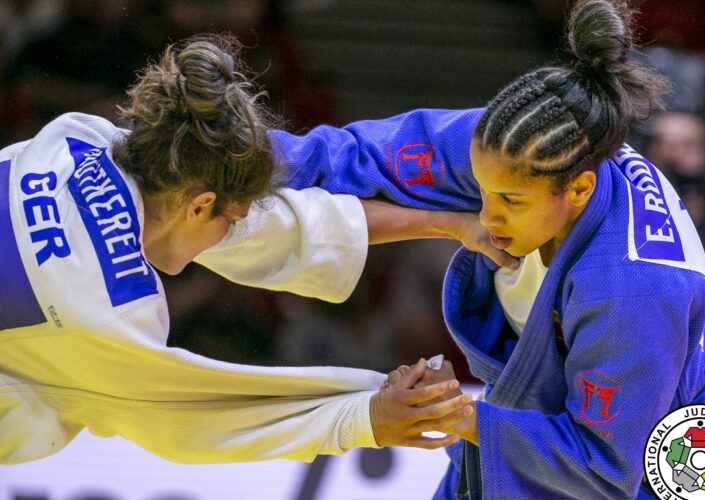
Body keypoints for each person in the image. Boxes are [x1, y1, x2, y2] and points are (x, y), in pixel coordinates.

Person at [271, 1, 705, 497]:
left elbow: (602, 467)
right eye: (481, 189)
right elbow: (374, 155)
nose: (486, 216)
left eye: (510, 201)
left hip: (666, 464)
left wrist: (461, 415)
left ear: (578, 190)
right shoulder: (519, 147)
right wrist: (263, 160)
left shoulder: (632, 288)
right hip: (541, 409)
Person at [0, 34, 491, 465]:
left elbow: (272, 228)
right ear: (201, 206)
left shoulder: (77, 140)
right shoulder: (109, 310)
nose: (232, 234)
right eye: (229, 220)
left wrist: (447, 223)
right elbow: (195, 418)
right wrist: (366, 416)